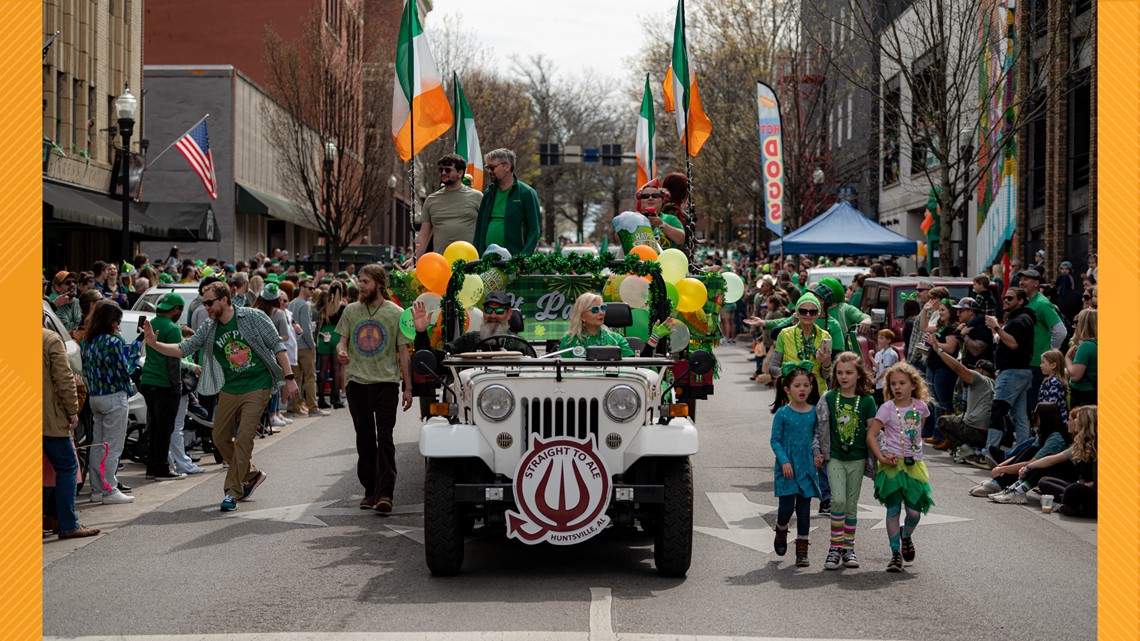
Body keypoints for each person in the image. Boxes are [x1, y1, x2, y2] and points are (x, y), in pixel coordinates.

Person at [143, 281, 299, 512]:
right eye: (204, 302)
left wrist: (289, 377)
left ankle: (232, 492)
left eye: (209, 302)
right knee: (219, 437)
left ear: (224, 300)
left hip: (258, 385)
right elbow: (183, 349)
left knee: (245, 437)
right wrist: (155, 345)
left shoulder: (253, 317)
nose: (205, 307)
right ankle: (252, 474)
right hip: (229, 387)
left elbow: (277, 346)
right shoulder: (209, 326)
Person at [334, 264, 412, 512]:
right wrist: (342, 353)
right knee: (365, 440)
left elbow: (403, 352)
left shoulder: (396, 313)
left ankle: (385, 494)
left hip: (387, 383)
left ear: (379, 284)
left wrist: (407, 387)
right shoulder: (351, 311)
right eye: (360, 280)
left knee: (385, 439)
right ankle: (369, 491)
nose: (361, 285)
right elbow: (341, 342)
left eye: (365, 281)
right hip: (357, 383)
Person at [866, 363, 935, 573]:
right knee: (893, 509)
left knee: (914, 512)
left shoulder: (921, 407)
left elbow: (917, 431)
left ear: (913, 385)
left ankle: (906, 536)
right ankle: (895, 553)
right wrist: (882, 457)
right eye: (893, 383)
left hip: (914, 465)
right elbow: (871, 435)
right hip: (892, 465)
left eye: (902, 383)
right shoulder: (886, 408)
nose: (897, 387)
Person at [813, 352, 878, 570]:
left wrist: (883, 456)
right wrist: (817, 451)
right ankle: (834, 548)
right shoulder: (829, 398)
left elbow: (874, 432)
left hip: (858, 459)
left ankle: (848, 549)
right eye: (839, 372)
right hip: (836, 458)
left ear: (859, 374)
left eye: (849, 372)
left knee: (851, 506)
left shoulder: (868, 401)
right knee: (838, 501)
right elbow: (818, 429)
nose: (844, 376)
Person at [81, 301, 142, 504]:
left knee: (98, 446)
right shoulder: (113, 342)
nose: (118, 324)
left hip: (95, 397)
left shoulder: (87, 341)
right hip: (114, 397)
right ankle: (110, 490)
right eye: (117, 321)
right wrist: (137, 349)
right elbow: (126, 369)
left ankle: (97, 489)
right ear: (112, 321)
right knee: (112, 447)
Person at [43, 327, 100, 539]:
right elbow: (64, 377)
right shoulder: (50, 338)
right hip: (49, 417)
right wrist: (72, 410)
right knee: (67, 466)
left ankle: (51, 519)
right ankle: (67, 523)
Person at [769, 364, 822, 567]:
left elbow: (818, 437)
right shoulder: (782, 413)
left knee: (804, 509)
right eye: (797, 385)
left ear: (810, 388)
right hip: (787, 468)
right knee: (786, 508)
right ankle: (781, 530)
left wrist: (818, 456)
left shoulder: (815, 412)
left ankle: (802, 549)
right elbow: (775, 440)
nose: (802, 389)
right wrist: (784, 461)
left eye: (805, 385)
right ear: (787, 389)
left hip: (807, 466)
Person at [991, 404, 1096, 505]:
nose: (1070, 421)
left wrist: (1026, 467)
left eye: (1076, 418)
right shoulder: (1080, 444)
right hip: (1079, 484)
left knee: (1066, 481)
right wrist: (1025, 467)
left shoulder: (1059, 438)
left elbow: (1052, 460)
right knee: (1043, 481)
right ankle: (1014, 489)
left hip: (1089, 490)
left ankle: (1017, 491)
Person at [137, 293, 193, 481]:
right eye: (180, 310)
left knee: (154, 427)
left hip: (148, 381)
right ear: (176, 309)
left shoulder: (152, 323)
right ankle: (161, 468)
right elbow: (173, 361)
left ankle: (152, 468)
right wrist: (177, 386)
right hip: (164, 384)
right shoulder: (172, 328)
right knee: (164, 428)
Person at [969, 402, 1068, 496]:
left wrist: (1003, 469)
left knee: (1032, 450)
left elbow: (1031, 463)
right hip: (1037, 466)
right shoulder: (1045, 433)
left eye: (1036, 415)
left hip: (1051, 472)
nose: (1033, 418)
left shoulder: (1056, 438)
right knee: (1030, 448)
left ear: (1045, 418)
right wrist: (1001, 465)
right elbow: (1023, 454)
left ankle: (1000, 483)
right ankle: (998, 482)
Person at [985, 287, 1037, 462]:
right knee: (1020, 416)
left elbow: (1014, 344)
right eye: (1004, 298)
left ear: (1020, 301)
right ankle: (1022, 453)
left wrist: (996, 327)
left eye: (1009, 298)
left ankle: (990, 451)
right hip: (1019, 371)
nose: (1005, 301)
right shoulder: (1019, 318)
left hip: (1013, 372)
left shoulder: (1021, 320)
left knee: (998, 411)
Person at [932, 354, 996, 466]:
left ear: (980, 370)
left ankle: (967, 449)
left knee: (942, 421)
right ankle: (976, 451)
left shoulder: (979, 379)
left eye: (974, 369)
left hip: (974, 431)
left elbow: (957, 367)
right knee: (959, 418)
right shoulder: (997, 384)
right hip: (990, 436)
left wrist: (939, 351)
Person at [473, 148, 540, 255]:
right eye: (487, 168)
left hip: (514, 262)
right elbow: (479, 228)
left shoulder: (526, 193)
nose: (489, 171)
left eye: (492, 167)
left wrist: (522, 259)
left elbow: (534, 230)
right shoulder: (488, 193)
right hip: (485, 261)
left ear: (507, 166)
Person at [416, 154, 483, 260]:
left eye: (447, 170)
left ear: (460, 173)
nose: (443, 173)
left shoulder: (477, 197)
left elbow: (485, 229)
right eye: (441, 170)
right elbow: (424, 235)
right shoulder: (431, 200)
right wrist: (415, 259)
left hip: (471, 262)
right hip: (441, 264)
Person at [768, 292, 834, 394]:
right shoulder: (784, 334)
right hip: (791, 395)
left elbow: (826, 375)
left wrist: (826, 362)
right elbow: (772, 368)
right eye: (803, 311)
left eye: (812, 312)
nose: (808, 315)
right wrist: (788, 372)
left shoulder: (825, 336)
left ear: (818, 314)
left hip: (816, 394)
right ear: (797, 313)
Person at [921, 297, 961, 449]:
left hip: (944, 368)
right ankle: (938, 435)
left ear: (951, 312)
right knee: (937, 402)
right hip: (933, 366)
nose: (940, 313)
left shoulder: (952, 328)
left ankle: (949, 437)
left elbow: (950, 347)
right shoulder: (940, 326)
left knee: (945, 402)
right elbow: (924, 328)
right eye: (939, 310)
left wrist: (935, 343)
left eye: (943, 310)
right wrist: (925, 311)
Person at [289, 277, 327, 417]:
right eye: (309, 288)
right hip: (305, 346)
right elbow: (306, 328)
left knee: (297, 378)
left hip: (294, 346)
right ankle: (313, 407)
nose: (312, 290)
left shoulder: (291, 303)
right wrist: (312, 345)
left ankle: (296, 407)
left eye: (313, 288)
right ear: (301, 287)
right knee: (310, 378)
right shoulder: (304, 305)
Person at [558, 293, 636, 357]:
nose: (601, 313)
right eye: (595, 310)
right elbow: (561, 370)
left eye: (603, 308)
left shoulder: (617, 340)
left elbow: (634, 366)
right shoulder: (569, 340)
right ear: (582, 316)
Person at [316, 282, 347, 409]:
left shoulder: (324, 305)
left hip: (324, 335)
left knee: (323, 368)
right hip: (337, 335)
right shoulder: (342, 306)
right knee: (337, 369)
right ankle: (336, 398)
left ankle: (321, 398)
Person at [635, 180, 685, 250]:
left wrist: (661, 224)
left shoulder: (671, 219)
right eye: (645, 196)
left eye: (655, 196)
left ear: (662, 200)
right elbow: (619, 239)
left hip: (665, 260)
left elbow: (680, 239)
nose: (650, 198)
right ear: (640, 201)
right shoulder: (634, 219)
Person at [1066, 309, 1097, 408]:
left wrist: (1067, 358)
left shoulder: (1085, 346)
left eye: (1077, 322)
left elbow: (1075, 376)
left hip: (1082, 393)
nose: (1075, 325)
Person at [954, 297, 994, 368]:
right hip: (968, 367)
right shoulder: (966, 327)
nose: (957, 314)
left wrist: (965, 335)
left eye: (960, 311)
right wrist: (958, 334)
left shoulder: (982, 327)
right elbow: (963, 350)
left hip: (980, 371)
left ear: (971, 311)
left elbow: (976, 351)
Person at [1037, 349, 1069, 423]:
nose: (1040, 365)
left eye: (1043, 362)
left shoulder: (1054, 382)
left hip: (1053, 420)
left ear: (1053, 365)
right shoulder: (1049, 380)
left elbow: (1051, 403)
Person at [871, 329, 899, 405]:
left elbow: (887, 369)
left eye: (882, 338)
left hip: (886, 384)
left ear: (888, 340)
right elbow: (878, 367)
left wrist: (876, 379)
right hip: (880, 385)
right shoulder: (881, 353)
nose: (879, 340)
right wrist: (871, 357)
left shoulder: (890, 354)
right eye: (878, 338)